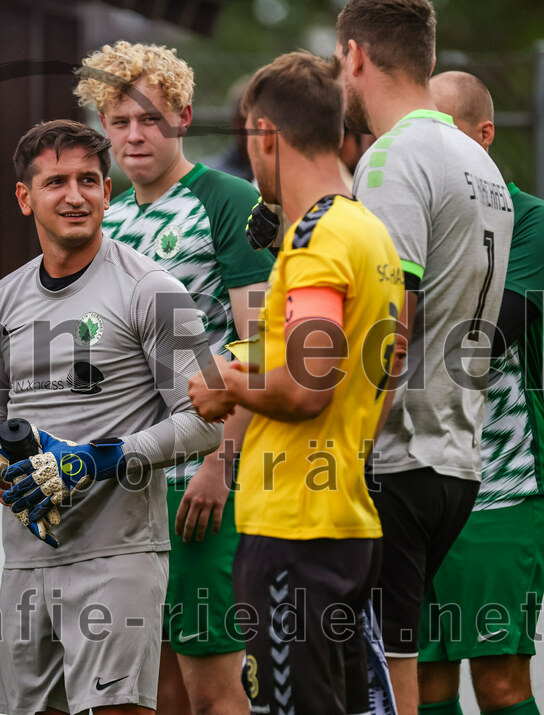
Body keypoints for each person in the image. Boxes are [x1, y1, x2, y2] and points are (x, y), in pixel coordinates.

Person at [0, 118, 222, 715]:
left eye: (90, 180)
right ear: (24, 197)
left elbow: (206, 421)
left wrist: (95, 459)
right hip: (27, 559)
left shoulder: (153, 289)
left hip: (120, 557)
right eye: (56, 181)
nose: (76, 195)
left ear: (108, 193)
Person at [188, 50, 404, 714]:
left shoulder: (316, 243)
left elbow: (307, 388)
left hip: (294, 536)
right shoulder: (369, 231)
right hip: (344, 522)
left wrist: (227, 385)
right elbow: (386, 372)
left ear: (263, 135)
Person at [73, 40, 272, 715]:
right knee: (151, 689)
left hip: (203, 481)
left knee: (215, 685)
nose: (134, 135)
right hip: (127, 486)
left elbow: (255, 344)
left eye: (150, 119)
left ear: (184, 117)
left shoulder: (229, 200)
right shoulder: (109, 217)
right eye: (120, 121)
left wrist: (223, 459)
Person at [335, 1, 515, 711]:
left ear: (354, 56)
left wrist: (347, 448)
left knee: (380, 686)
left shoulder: (393, 155)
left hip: (396, 458)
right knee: (392, 666)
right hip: (456, 461)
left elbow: (391, 318)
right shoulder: (479, 159)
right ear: (429, 58)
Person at [417, 71, 544, 715]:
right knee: (424, 686)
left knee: (499, 684)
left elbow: (480, 345)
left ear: (484, 137)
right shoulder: (410, 217)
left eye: (443, 131)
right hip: (412, 485)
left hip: (499, 485)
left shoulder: (531, 222)